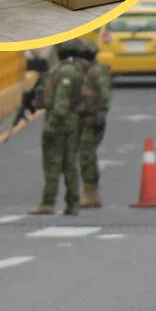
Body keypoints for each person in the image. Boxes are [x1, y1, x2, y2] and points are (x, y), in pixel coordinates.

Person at [30, 38, 88, 216]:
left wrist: (51, 122)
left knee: (53, 163)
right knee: (70, 163)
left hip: (60, 122)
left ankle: (48, 202)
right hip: (71, 122)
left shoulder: (64, 73)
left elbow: (61, 103)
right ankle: (73, 202)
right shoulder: (74, 70)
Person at [74, 38, 111, 209]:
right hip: (84, 118)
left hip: (93, 119)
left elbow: (105, 94)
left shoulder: (97, 72)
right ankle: (93, 193)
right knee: (87, 155)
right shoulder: (84, 72)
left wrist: (101, 113)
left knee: (86, 155)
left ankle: (90, 193)